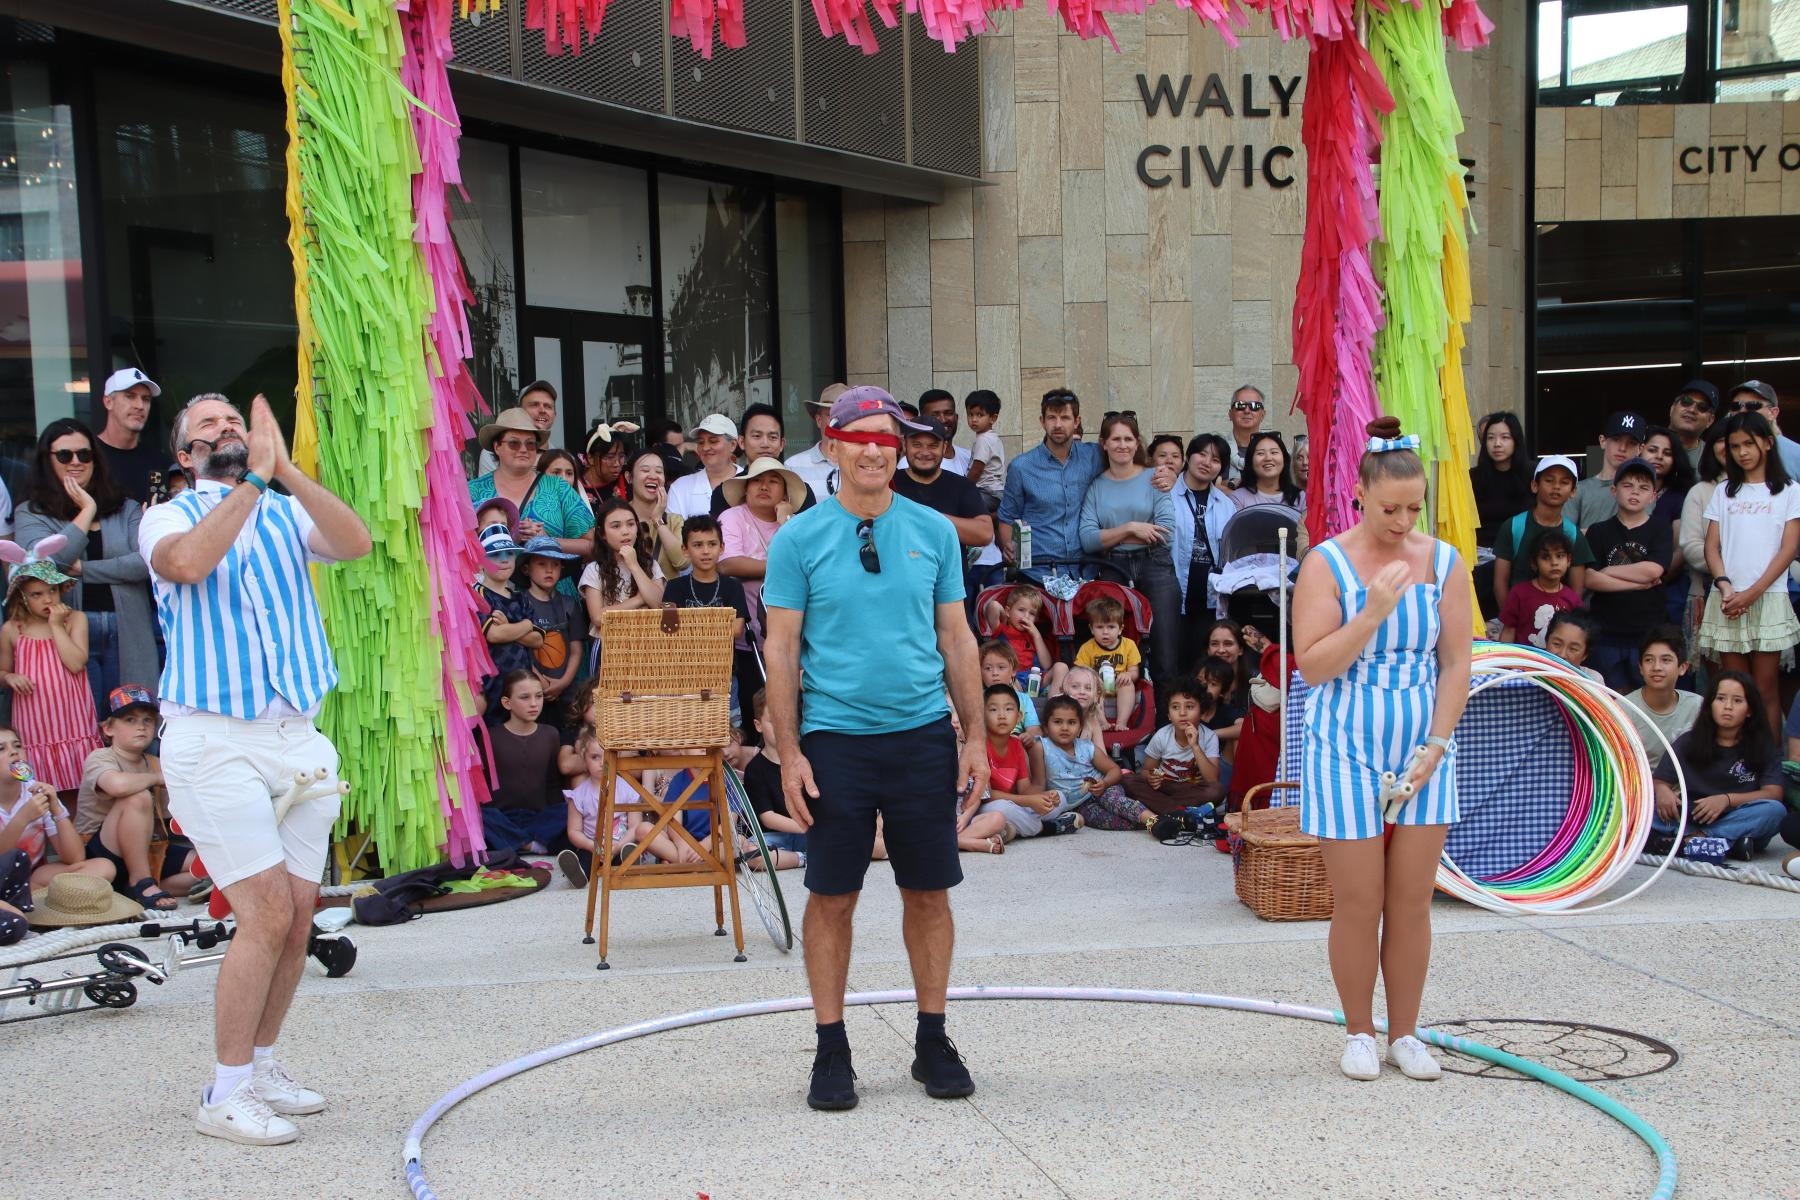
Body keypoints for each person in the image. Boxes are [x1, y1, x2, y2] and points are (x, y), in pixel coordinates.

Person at [139, 390, 371, 1146]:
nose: (226, 427)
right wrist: (254, 481)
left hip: (296, 734)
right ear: (186, 455)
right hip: (214, 738)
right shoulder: (167, 515)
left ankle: (261, 1068)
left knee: (299, 916)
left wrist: (287, 473)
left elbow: (355, 542)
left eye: (235, 420)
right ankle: (225, 1091)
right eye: (208, 424)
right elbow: (187, 562)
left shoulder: (283, 509)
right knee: (265, 912)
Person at [761, 385, 987, 1112]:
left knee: (928, 890)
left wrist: (977, 738)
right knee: (832, 895)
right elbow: (781, 649)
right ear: (831, 446)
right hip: (835, 741)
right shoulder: (798, 539)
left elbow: (957, 637)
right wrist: (790, 752)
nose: (873, 450)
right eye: (857, 437)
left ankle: (932, 1038)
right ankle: (831, 1047)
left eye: (885, 439)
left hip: (921, 733)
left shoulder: (934, 531)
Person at [1293, 418, 1472, 1083]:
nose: (1402, 522)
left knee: (1413, 900)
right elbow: (1313, 666)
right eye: (1389, 508)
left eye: (1413, 509)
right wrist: (1369, 612)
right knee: (1359, 901)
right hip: (1344, 743)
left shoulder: (1445, 562)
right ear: (1360, 496)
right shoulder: (1326, 563)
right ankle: (1359, 1032)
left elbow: (1457, 662)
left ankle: (1405, 1033)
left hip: (1423, 746)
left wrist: (1438, 743)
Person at [13, 418, 157, 718]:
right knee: (82, 719)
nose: (76, 462)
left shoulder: (126, 507)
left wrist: (82, 569)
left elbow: (144, 563)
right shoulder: (30, 512)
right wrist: (87, 509)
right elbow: (44, 565)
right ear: (47, 460)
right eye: (65, 455)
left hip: (127, 626)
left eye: (84, 454)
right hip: (69, 629)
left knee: (133, 719)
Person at [1699, 411, 1800, 736]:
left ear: (1768, 443)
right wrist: (1726, 586)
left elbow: (1788, 549)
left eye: (1749, 443)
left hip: (1768, 597)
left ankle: (1768, 761)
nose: (1742, 452)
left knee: (1765, 689)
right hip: (1727, 599)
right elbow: (1711, 547)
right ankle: (1736, 758)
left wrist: (1752, 593)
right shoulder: (1724, 491)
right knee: (1734, 688)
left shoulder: (1790, 491)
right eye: (1734, 446)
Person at [1079, 414, 1182, 699]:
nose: (1122, 445)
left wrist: (1111, 535)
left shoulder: (1155, 478)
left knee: (1165, 655)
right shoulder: (1097, 486)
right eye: (1116, 439)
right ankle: (1124, 722)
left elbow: (1166, 533)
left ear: (1137, 443)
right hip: (1114, 566)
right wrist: (1132, 528)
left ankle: (1165, 724)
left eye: (1128, 439)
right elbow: (1087, 539)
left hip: (1155, 564)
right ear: (1104, 444)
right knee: (1115, 654)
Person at [76, 683, 197, 912]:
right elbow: (117, 785)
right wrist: (157, 778)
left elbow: (176, 814)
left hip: (146, 849)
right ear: (108, 728)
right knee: (137, 798)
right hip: (100, 853)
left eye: (147, 720)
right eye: (130, 720)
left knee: (204, 868)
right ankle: (141, 882)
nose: (141, 726)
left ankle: (134, 887)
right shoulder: (101, 757)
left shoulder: (155, 763)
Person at [1653, 670, 1789, 859]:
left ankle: (1697, 840)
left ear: (1750, 710)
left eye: (1737, 701)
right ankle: (1731, 845)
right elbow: (1659, 781)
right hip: (1689, 817)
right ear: (1710, 704)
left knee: (1774, 811)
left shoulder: (1763, 746)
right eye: (1721, 699)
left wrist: (1726, 800)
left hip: (1739, 818)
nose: (1728, 706)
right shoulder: (1688, 741)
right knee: (1639, 808)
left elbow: (1773, 793)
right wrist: (1663, 791)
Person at [0, 558, 101, 796]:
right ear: (22, 597)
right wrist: (10, 677)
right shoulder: (12, 629)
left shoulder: (75, 619)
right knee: (39, 790)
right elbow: (2, 671)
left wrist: (56, 625)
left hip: (73, 721)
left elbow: (75, 663)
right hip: (35, 725)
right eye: (37, 594)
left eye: (52, 591)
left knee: (80, 789)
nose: (48, 599)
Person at [468, 407, 595, 590]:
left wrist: (548, 541)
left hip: (554, 597)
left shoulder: (558, 488)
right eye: (514, 443)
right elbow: (457, 548)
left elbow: (593, 545)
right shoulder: (473, 490)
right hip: (492, 596)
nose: (523, 450)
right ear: (497, 447)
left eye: (530, 444)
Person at [1582, 458, 1676, 692]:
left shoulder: (1660, 529)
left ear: (1653, 496)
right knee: (1608, 696)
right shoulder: (1598, 531)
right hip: (1606, 632)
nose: (1635, 492)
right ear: (1614, 491)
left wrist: (1608, 571)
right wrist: (1637, 583)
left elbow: (1654, 570)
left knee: (1646, 696)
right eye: (1628, 485)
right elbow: (1590, 579)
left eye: (1643, 488)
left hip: (1648, 631)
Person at [997, 389, 1104, 580]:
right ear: (1042, 421)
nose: (1058, 424)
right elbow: (1007, 517)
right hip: (1038, 574)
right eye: (1052, 417)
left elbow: (1129, 463)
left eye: (1065, 417)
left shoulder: (1094, 456)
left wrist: (1160, 474)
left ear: (1077, 421)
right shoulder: (1021, 467)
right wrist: (1010, 548)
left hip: (1086, 573)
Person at [892, 416, 997, 604]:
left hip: (950, 594)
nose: (925, 452)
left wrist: (928, 517)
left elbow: (984, 533)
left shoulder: (961, 486)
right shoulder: (890, 484)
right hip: (899, 594)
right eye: (917, 445)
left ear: (944, 446)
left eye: (933, 446)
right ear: (904, 445)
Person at [0, 723, 110, 888]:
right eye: (1, 748)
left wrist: (57, 810)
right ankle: (33, 895)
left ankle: (30, 892)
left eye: (17, 745)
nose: (14, 752)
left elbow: (75, 858)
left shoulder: (35, 791)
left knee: (104, 867)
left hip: (31, 877)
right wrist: (22, 818)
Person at [719, 457, 806, 654]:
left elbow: (806, 568)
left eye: (773, 481)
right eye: (757, 480)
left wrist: (786, 522)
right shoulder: (732, 516)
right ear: (746, 489)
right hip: (743, 638)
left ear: (785, 494)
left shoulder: (798, 524)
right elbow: (727, 564)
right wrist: (783, 569)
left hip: (792, 638)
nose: (764, 486)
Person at [1490, 455, 1595, 611]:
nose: (1556, 486)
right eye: (1549, 480)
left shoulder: (1573, 535)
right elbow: (1500, 583)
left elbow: (1576, 592)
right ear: (1534, 485)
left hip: (1559, 620)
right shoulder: (1513, 527)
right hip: (1517, 617)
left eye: (1564, 482)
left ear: (1573, 491)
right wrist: (1510, 619)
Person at [973, 684, 1079, 840]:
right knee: (1003, 809)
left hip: (1014, 804)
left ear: (1019, 717)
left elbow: (1024, 789)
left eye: (1008, 709)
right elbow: (986, 795)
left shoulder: (1016, 745)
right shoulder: (980, 746)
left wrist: (1045, 796)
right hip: (984, 808)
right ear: (982, 716)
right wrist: (1028, 801)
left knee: (1060, 798)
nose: (1002, 715)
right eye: (993, 710)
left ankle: (1012, 829)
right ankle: (1048, 828)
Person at [480, 670, 566, 854]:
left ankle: (515, 842)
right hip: (501, 818)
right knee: (479, 815)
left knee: (571, 809)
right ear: (507, 703)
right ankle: (529, 844)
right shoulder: (490, 736)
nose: (534, 704)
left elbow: (553, 785)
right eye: (525, 697)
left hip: (539, 818)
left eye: (539, 696)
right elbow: (483, 788)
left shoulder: (550, 734)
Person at [1171, 434, 1236, 667]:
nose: (1207, 462)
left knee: (1203, 665)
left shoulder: (1225, 505)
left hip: (1209, 597)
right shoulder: (1166, 495)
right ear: (1188, 456)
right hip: (1173, 594)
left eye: (1216, 459)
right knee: (1172, 662)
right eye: (1202, 454)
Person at [580, 499, 665, 673]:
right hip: (608, 645)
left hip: (648, 645)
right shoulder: (594, 569)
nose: (625, 531)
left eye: (631, 524)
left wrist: (634, 565)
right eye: (616, 526)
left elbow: (658, 604)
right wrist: (639, 600)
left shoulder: (651, 565)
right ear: (602, 533)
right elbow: (598, 617)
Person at [1119, 676, 1224, 815]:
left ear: (1201, 712)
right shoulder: (1161, 736)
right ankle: (1179, 811)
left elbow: (1212, 779)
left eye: (1189, 707)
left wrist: (1195, 746)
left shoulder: (1209, 737)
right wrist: (1151, 778)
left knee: (1216, 790)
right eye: (1175, 707)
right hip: (1164, 787)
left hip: (1192, 789)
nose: (1182, 713)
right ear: (1168, 715)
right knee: (1127, 780)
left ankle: (1168, 810)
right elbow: (1146, 771)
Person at [1038, 695, 1142, 830]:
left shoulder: (1086, 747)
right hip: (1081, 806)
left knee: (1115, 802)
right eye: (1057, 722)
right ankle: (1147, 824)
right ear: (1046, 726)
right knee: (1116, 823)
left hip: (1104, 790)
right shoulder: (1042, 747)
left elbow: (1114, 770)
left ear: (1080, 727)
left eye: (1071, 722)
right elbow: (1038, 783)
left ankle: (1154, 821)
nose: (1065, 727)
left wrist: (1105, 783)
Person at [473, 524, 542, 717]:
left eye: (509, 553)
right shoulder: (478, 596)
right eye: (495, 554)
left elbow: (538, 639)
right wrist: (526, 625)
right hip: (491, 684)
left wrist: (508, 627)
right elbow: (494, 635)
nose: (504, 560)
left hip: (523, 686)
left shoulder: (521, 597)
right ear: (480, 562)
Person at [516, 537, 584, 728]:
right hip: (530, 692)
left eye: (555, 564)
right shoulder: (518, 604)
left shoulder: (569, 604)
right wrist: (539, 680)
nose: (549, 570)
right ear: (526, 568)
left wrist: (563, 682)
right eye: (541, 564)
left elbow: (576, 650)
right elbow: (518, 649)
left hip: (567, 691)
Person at [708, 405, 819, 518]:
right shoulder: (723, 494)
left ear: (781, 444)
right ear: (741, 442)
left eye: (772, 437)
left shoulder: (801, 493)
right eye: (757, 436)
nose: (765, 444)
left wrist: (788, 520)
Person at [741, 690, 809, 871]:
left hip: (811, 832)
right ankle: (801, 858)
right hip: (775, 837)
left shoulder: (806, 756)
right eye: (773, 721)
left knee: (850, 837)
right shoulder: (755, 769)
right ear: (758, 725)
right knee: (751, 854)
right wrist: (806, 827)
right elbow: (768, 818)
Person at [556, 729, 634, 888]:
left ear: (617, 756)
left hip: (620, 844)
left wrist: (617, 846)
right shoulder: (579, 795)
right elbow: (574, 831)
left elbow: (635, 827)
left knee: (628, 851)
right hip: (592, 847)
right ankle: (579, 874)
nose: (602, 762)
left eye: (607, 755)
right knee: (586, 857)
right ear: (584, 760)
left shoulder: (627, 789)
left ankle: (630, 864)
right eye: (595, 757)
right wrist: (593, 846)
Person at [1678, 421, 1731, 655]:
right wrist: (1733, 566)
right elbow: (1691, 547)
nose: (1729, 446)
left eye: (1739, 441)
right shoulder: (1700, 492)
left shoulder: (1768, 490)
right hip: (1708, 594)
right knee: (1715, 671)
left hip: (1761, 591)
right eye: (1721, 440)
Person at [1623, 626, 1699, 771]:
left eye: (1666, 660)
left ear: (1683, 667)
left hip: (1686, 783)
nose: (1656, 667)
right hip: (1641, 783)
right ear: (1640, 667)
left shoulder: (1698, 706)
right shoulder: (1624, 709)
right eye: (1649, 660)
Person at [1497, 529, 1582, 648]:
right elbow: (1509, 631)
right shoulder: (1519, 593)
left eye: (1559, 556)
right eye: (1546, 557)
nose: (1554, 562)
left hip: (1556, 659)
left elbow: (1578, 637)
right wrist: (1505, 657)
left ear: (1568, 560)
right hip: (1523, 658)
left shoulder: (1572, 599)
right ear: (1534, 563)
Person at [1566, 410, 1647, 532]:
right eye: (1616, 439)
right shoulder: (1579, 490)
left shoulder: (1644, 491)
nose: (1622, 448)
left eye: (1631, 443)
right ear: (1603, 441)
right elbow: (1565, 536)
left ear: (1640, 449)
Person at [95, 367, 165, 504]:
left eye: (146, 399)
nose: (140, 405)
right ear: (108, 402)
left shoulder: (159, 462)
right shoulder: (86, 456)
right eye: (130, 396)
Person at [1074, 596, 1141, 733]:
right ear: (1092, 629)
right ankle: (1102, 722)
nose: (1105, 632)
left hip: (1119, 684)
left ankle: (1121, 722)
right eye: (1100, 627)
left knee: (1128, 685)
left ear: (1120, 629)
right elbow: (1079, 671)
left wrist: (1128, 675)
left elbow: (1135, 671)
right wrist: (1092, 679)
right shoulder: (1087, 648)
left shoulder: (1129, 645)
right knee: (1090, 689)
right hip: (1097, 686)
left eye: (1111, 627)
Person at [981, 584, 1062, 695]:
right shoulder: (1001, 629)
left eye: (1032, 613)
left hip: (1035, 678)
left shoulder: (1034, 635)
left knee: (1061, 667)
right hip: (1014, 679)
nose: (1026, 616)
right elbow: (993, 606)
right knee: (1008, 678)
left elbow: (1046, 665)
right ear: (1008, 611)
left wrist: (1036, 635)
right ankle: (1019, 700)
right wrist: (1005, 617)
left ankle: (1054, 702)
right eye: (1021, 610)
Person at [622, 447, 687, 579]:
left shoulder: (675, 521)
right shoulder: (616, 517)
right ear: (629, 477)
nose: (653, 476)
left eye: (659, 471)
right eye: (645, 470)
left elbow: (682, 562)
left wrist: (658, 520)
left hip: (666, 592)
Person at [1470, 411, 1531, 548]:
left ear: (1516, 440)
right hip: (1481, 552)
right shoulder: (1472, 477)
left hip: (1523, 551)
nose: (1497, 444)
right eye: (1491, 438)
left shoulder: (1533, 474)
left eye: (1505, 437)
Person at [666, 414, 743, 521]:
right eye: (701, 442)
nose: (705, 448)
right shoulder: (680, 487)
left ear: (733, 445)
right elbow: (674, 530)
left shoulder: (750, 481)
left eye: (713, 441)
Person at [476, 380, 559, 476]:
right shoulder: (493, 453)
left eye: (548, 406)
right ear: (519, 411)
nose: (542, 410)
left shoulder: (562, 458)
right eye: (534, 405)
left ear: (555, 415)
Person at [1724, 379, 1800, 481]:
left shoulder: (1795, 453)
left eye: (1753, 405)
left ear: (1773, 413)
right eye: (1736, 406)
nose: (1742, 411)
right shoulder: (1721, 449)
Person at [784, 383, 850, 497]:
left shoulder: (863, 465)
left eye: (846, 414)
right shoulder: (793, 466)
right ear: (819, 420)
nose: (839, 421)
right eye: (831, 415)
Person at [978, 638, 1044, 745]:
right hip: (988, 744)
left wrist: (1029, 736)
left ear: (1013, 670)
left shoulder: (1024, 699)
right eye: (988, 668)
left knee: (1036, 746)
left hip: (1017, 743)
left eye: (1001, 667)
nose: (994, 673)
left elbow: (1035, 730)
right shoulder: (977, 698)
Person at [1231, 430, 1305, 516]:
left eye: (1274, 452)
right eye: (1260, 453)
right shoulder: (1238, 499)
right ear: (1250, 461)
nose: (1268, 458)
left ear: (1284, 459)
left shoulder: (1301, 498)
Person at [964, 390, 1006, 510]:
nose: (974, 419)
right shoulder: (993, 437)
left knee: (962, 505)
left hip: (987, 492)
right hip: (996, 492)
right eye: (970, 414)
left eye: (979, 415)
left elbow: (977, 468)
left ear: (993, 418)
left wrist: (964, 488)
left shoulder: (983, 440)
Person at [1667, 380, 1718, 473]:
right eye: (1686, 401)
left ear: (1710, 420)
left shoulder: (1713, 458)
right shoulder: (1644, 443)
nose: (1692, 410)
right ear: (1672, 408)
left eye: (1702, 407)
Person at [575, 423, 630, 509]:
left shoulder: (628, 483)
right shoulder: (575, 489)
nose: (617, 464)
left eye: (621, 456)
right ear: (590, 458)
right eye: (610, 457)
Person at [1224, 384, 1268, 486]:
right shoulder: (1217, 449)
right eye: (1240, 405)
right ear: (1230, 414)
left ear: (1263, 415)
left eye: (1254, 406)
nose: (1247, 411)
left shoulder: (1274, 452)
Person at [1544, 609, 1604, 683]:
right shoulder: (1530, 672)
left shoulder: (1592, 680)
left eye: (1573, 649)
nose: (1562, 655)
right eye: (1557, 644)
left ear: (1585, 655)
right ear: (1547, 641)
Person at [1058, 664, 1107, 747]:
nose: (1082, 692)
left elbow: (1102, 754)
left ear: (1097, 695)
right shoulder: (1057, 718)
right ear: (1063, 690)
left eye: (1088, 688)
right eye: (1075, 686)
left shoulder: (1093, 724)